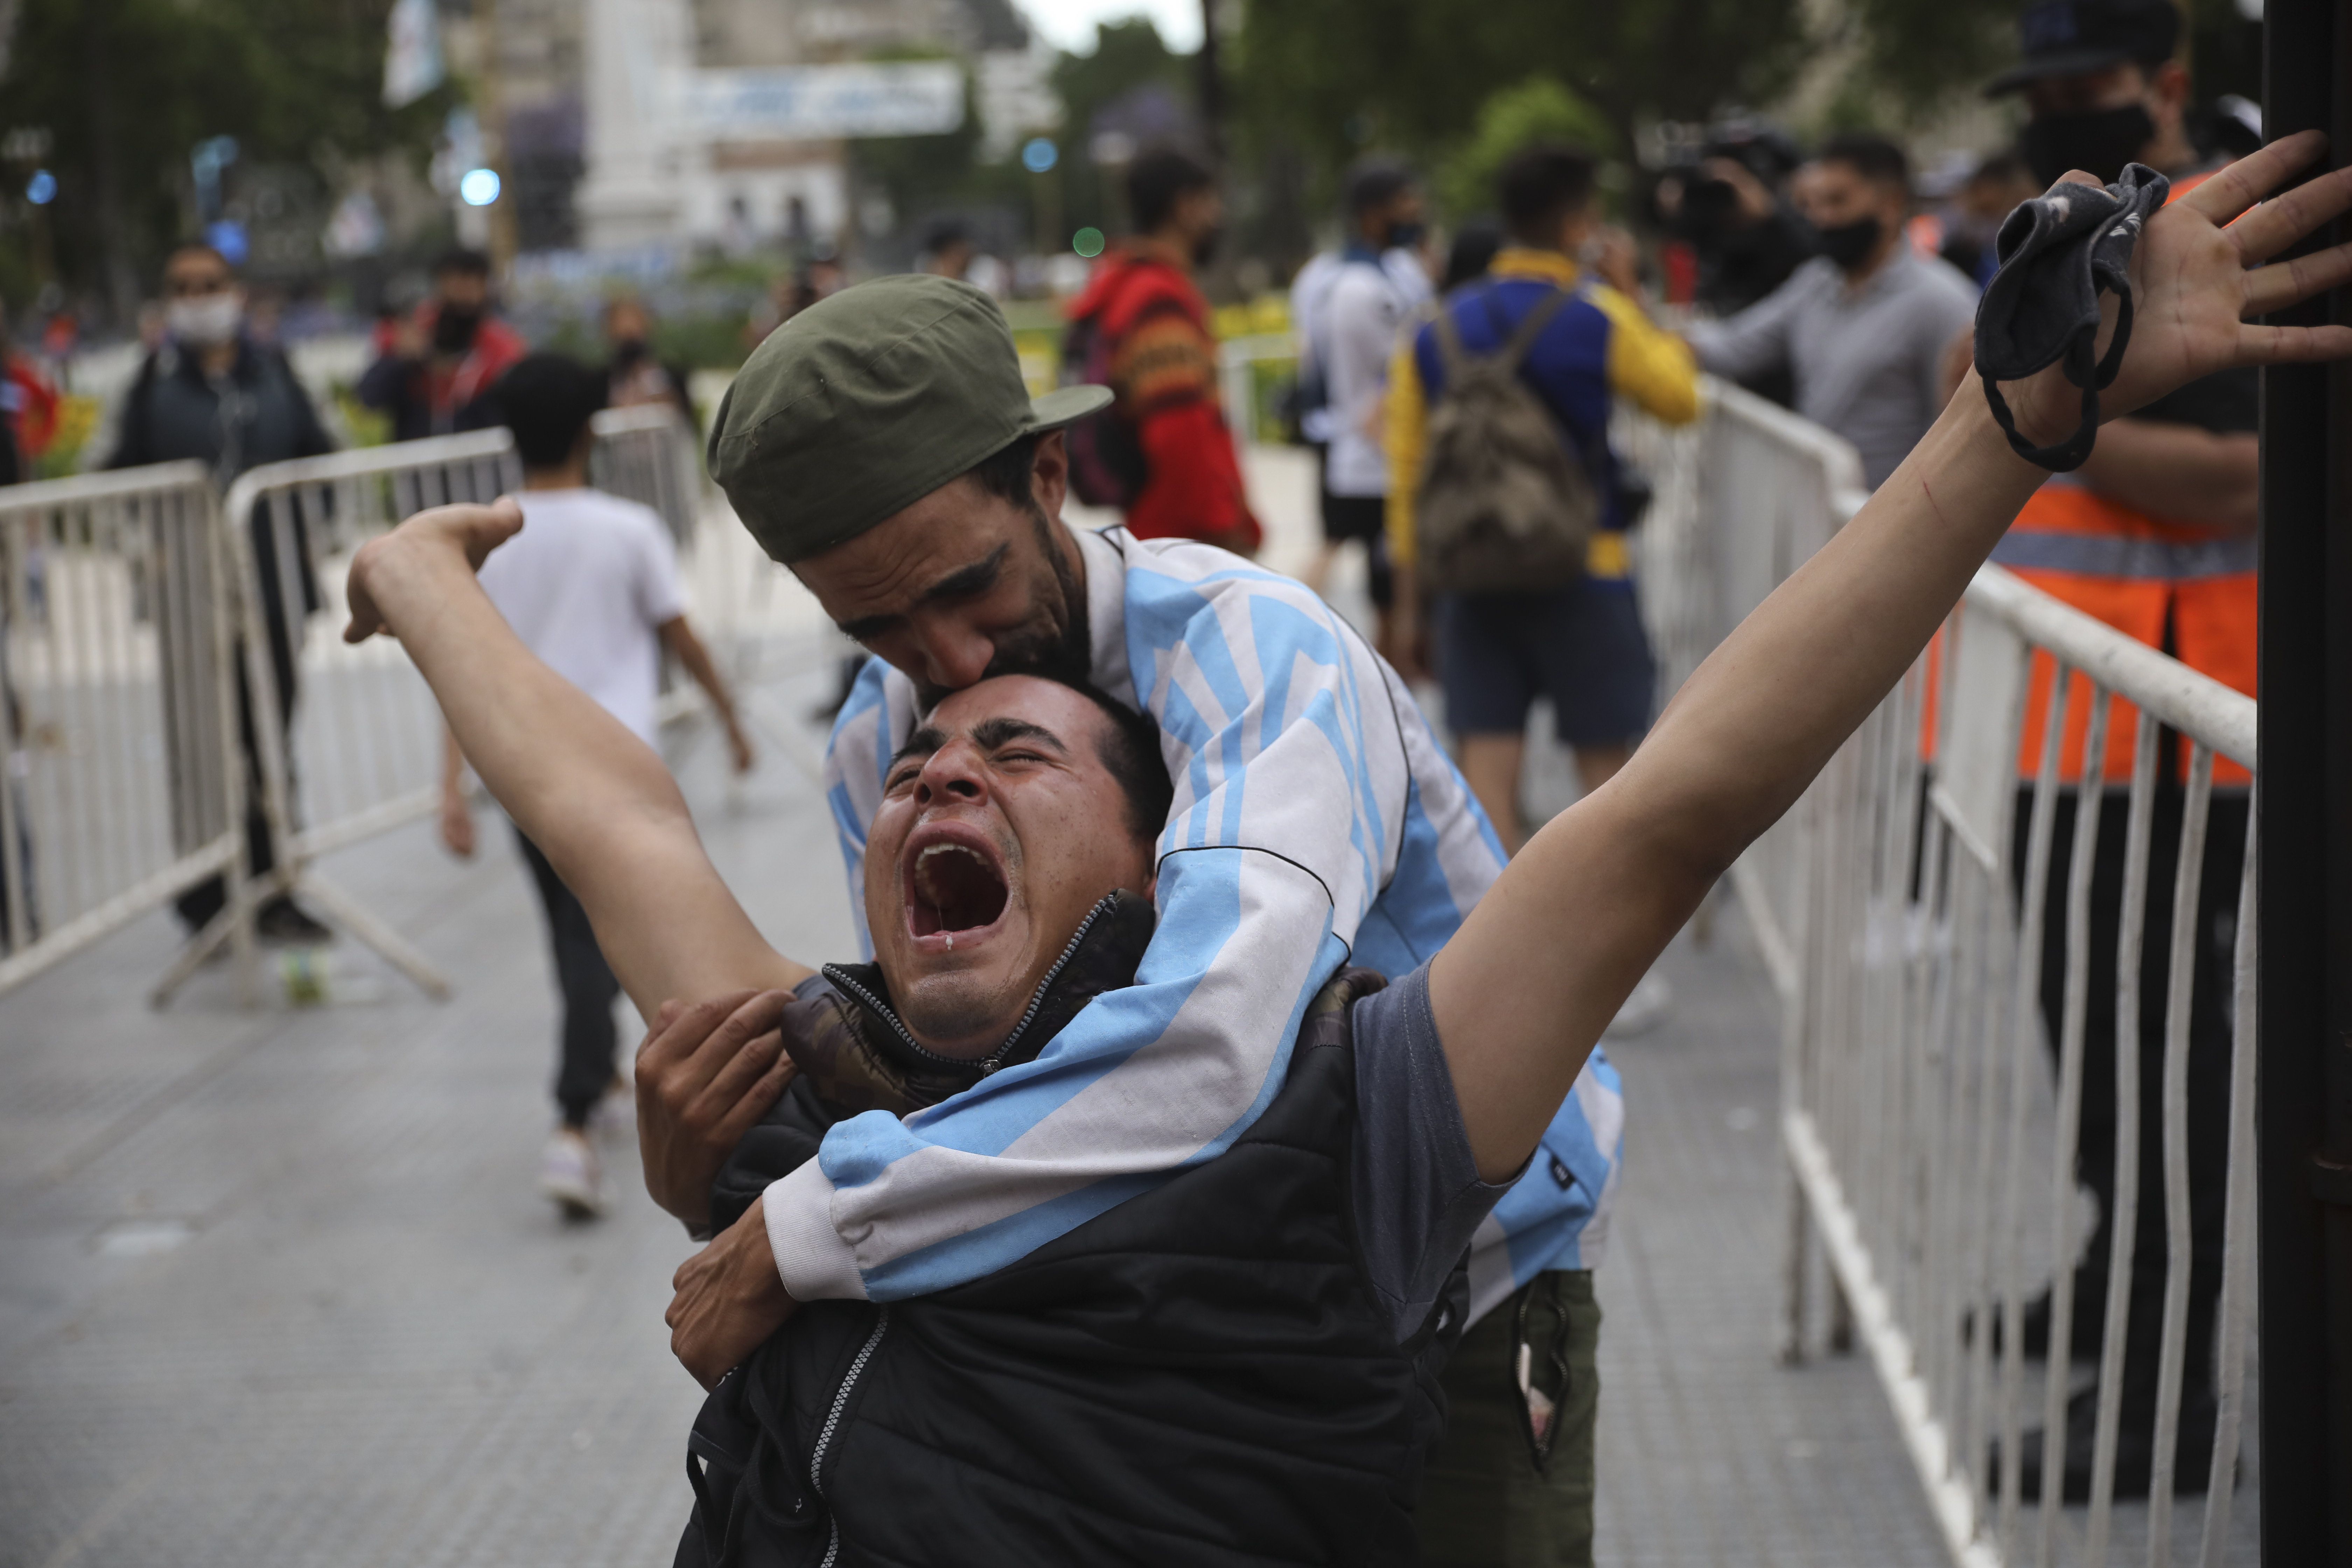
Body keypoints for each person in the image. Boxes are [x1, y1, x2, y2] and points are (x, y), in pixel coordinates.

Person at [342, 132, 2352, 1560]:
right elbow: (645, 852)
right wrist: (746, 1131)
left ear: (1055, 480)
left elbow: (1588, 859)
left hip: (1419, 1286)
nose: (938, 707)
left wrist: (789, 1226)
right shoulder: (916, 832)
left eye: (985, 652)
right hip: (1056, 1274)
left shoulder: (1280, 752)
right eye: (890, 664)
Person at [1382, 141, 1693, 1561]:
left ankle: (1506, 981)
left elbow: (1400, 466)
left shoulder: (1434, 330)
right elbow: (1677, 398)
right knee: (1613, 784)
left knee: (1487, 783)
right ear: (1574, 220)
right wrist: (1628, 296)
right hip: (1587, 563)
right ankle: (1613, 973)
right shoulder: (1589, 313)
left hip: (1474, 572)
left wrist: (1410, 587)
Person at [1977, 0, 2262, 1502]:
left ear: (2158, 82)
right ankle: (2106, 1283)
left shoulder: (2214, 228)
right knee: (2085, 1045)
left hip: (2170, 716)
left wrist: (2031, 414)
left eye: (2078, 84)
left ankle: (2157, 1389)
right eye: (2038, 88)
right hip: (2073, 719)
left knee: (2152, 1065)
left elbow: (2234, 478)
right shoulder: (2079, 222)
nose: (2052, 110)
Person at [437, 352, 753, 1218]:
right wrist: (730, 718)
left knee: (574, 937)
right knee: (595, 944)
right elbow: (681, 638)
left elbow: (461, 668)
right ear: (592, 432)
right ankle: (573, 1125)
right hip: (616, 772)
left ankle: (604, 1081)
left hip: (520, 772)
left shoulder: (487, 539)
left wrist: (452, 785)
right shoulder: (627, 529)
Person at [106, 240, 338, 946]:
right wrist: (145, 554)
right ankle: (206, 896)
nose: (200, 296)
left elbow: (326, 456)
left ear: (235, 290)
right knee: (202, 748)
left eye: (211, 283)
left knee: (271, 739)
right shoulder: (148, 383)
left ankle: (276, 887)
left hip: (275, 594)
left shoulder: (279, 371)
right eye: (185, 285)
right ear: (168, 298)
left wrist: (315, 536)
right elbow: (110, 482)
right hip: (190, 604)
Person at [1684, 135, 1981, 490]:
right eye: (1813, 204)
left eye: (1838, 201)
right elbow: (1734, 347)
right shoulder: (1814, 284)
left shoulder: (1941, 301)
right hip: (1819, 519)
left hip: (1897, 527)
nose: (1822, 218)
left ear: (1891, 203)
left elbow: (1963, 434)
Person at [1061, 144, 1261, 554]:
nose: (1218, 216)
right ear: (1186, 206)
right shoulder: (1158, 301)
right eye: (1211, 202)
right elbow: (1178, 436)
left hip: (1155, 532)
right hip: (1189, 546)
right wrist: (1223, 531)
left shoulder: (1126, 286)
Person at [1300, 158, 1432, 635]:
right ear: (1372, 213)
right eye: (1405, 203)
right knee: (1387, 579)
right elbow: (1398, 367)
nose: (1415, 213)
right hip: (1371, 447)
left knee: (1345, 550)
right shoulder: (1364, 287)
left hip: (1349, 437)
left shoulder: (1334, 275)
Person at [355, 247, 527, 441]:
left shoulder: (501, 347)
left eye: (470, 286)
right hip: (420, 461)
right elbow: (370, 397)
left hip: (480, 462)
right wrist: (403, 360)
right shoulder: (412, 332)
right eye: (453, 286)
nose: (462, 296)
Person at [602, 295, 695, 421]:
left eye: (635, 320)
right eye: (620, 321)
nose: (628, 328)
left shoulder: (672, 374)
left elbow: (687, 417)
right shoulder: (600, 382)